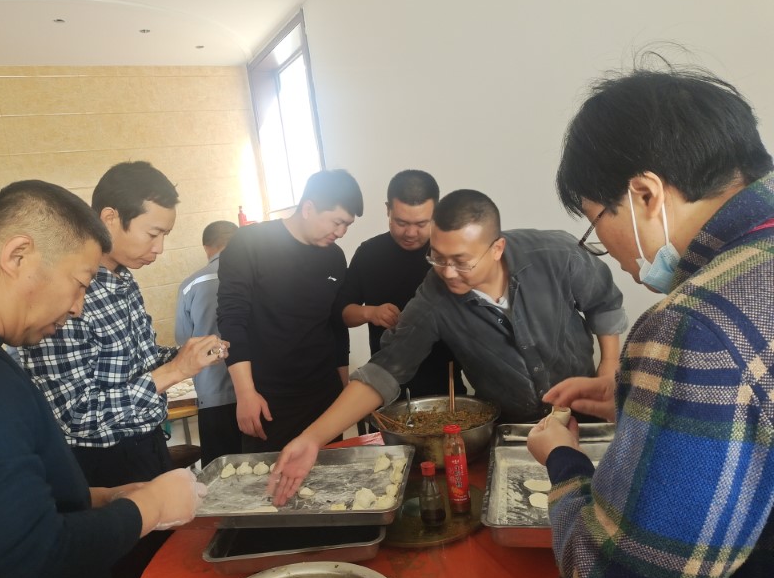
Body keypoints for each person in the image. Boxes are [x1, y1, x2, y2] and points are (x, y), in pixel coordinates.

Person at [526, 67, 774, 578]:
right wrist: (637, 397)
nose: (608, 249)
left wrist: (563, 460)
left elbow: (620, 577)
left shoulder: (695, 325)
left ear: (645, 195)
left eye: (597, 222)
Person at [268, 188, 628, 504]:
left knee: (604, 503)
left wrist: (609, 365)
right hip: (513, 429)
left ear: (496, 248)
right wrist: (312, 438)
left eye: (461, 262)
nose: (448, 272)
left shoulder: (556, 254)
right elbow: (385, 369)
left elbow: (604, 302)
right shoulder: (434, 297)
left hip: (588, 413)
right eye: (437, 257)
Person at [0, 180, 205, 578]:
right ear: (18, 256)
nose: (79, 307)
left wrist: (102, 498)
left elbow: (19, 503)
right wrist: (149, 507)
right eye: (80, 283)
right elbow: (36, 558)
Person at [217, 169, 364, 453]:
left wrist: (343, 385)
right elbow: (232, 320)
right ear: (308, 208)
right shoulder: (250, 243)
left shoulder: (334, 256)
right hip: (268, 398)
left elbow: (335, 324)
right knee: (270, 477)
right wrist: (245, 393)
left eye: (347, 225)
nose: (341, 233)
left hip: (323, 395)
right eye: (337, 222)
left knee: (331, 476)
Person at [336, 169, 464, 400]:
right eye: (401, 222)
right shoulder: (369, 253)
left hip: (445, 385)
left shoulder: (452, 253)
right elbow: (343, 313)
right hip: (386, 384)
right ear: (388, 209)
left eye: (422, 223)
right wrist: (371, 313)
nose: (411, 233)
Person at [175, 220, 242, 466]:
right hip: (259, 391)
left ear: (207, 247)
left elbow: (184, 342)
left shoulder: (191, 285)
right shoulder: (258, 276)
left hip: (214, 395)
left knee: (220, 470)